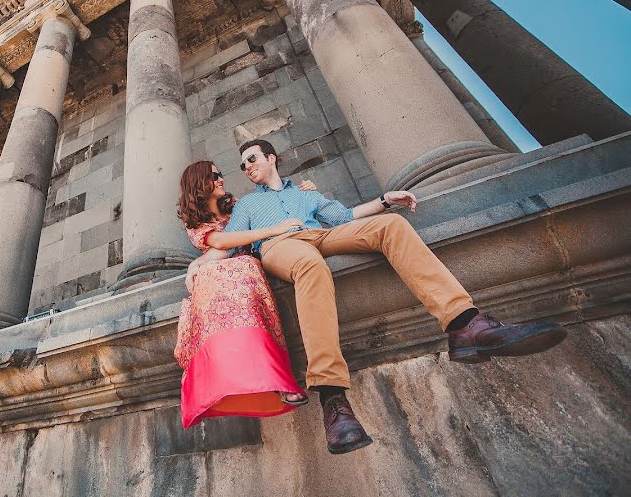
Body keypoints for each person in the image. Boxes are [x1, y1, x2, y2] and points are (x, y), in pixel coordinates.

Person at [191, 138, 567, 454]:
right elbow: (226, 245)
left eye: (252, 159)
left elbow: (345, 216)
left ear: (271, 158)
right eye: (241, 165)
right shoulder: (248, 206)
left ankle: (465, 324)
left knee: (389, 227)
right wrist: (196, 266)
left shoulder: (309, 194)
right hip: (280, 246)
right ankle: (332, 397)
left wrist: (386, 200)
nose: (246, 167)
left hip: (319, 234)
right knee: (311, 267)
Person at [175, 160, 312, 428]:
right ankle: (222, 380)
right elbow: (222, 243)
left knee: (242, 267)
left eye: (221, 173)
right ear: (199, 181)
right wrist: (198, 264)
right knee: (216, 276)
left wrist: (299, 195)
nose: (221, 179)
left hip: (251, 265)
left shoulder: (237, 205)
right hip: (225, 275)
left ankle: (276, 380)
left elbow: (270, 210)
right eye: (215, 175)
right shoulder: (195, 222)